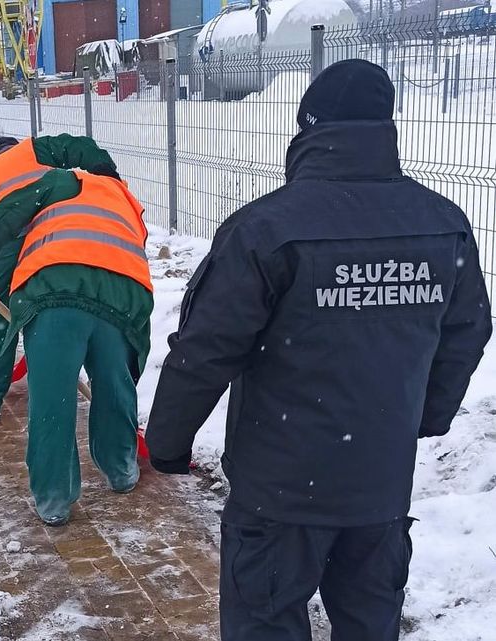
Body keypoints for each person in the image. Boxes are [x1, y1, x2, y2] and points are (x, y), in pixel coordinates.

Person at [145, 59, 492, 641]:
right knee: (369, 624)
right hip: (379, 486)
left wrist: (168, 443)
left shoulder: (266, 230)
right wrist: (423, 417)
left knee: (266, 624)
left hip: (280, 492)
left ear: (309, 130)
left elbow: (205, 349)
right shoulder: (444, 224)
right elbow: (468, 331)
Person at [0, 138, 154, 527]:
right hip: (123, 295)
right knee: (115, 385)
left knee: (53, 397)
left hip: (55, 290)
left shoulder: (58, 183)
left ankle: (54, 499)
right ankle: (121, 470)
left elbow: (8, 215)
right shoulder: (127, 199)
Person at [0, 135, 128, 423]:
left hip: (15, 241)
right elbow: (79, 146)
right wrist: (107, 173)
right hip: (60, 231)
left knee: (2, 317)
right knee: (75, 307)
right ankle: (107, 397)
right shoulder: (33, 151)